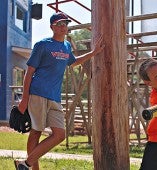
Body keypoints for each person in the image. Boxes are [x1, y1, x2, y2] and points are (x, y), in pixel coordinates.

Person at [14, 12, 105, 170]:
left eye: (65, 24)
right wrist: (24, 99)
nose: (64, 27)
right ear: (52, 27)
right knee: (36, 131)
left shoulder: (66, 46)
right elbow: (29, 72)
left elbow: (73, 62)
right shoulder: (42, 45)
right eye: (60, 24)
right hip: (38, 92)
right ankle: (32, 168)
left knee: (60, 134)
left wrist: (93, 52)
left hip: (55, 97)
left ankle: (25, 164)